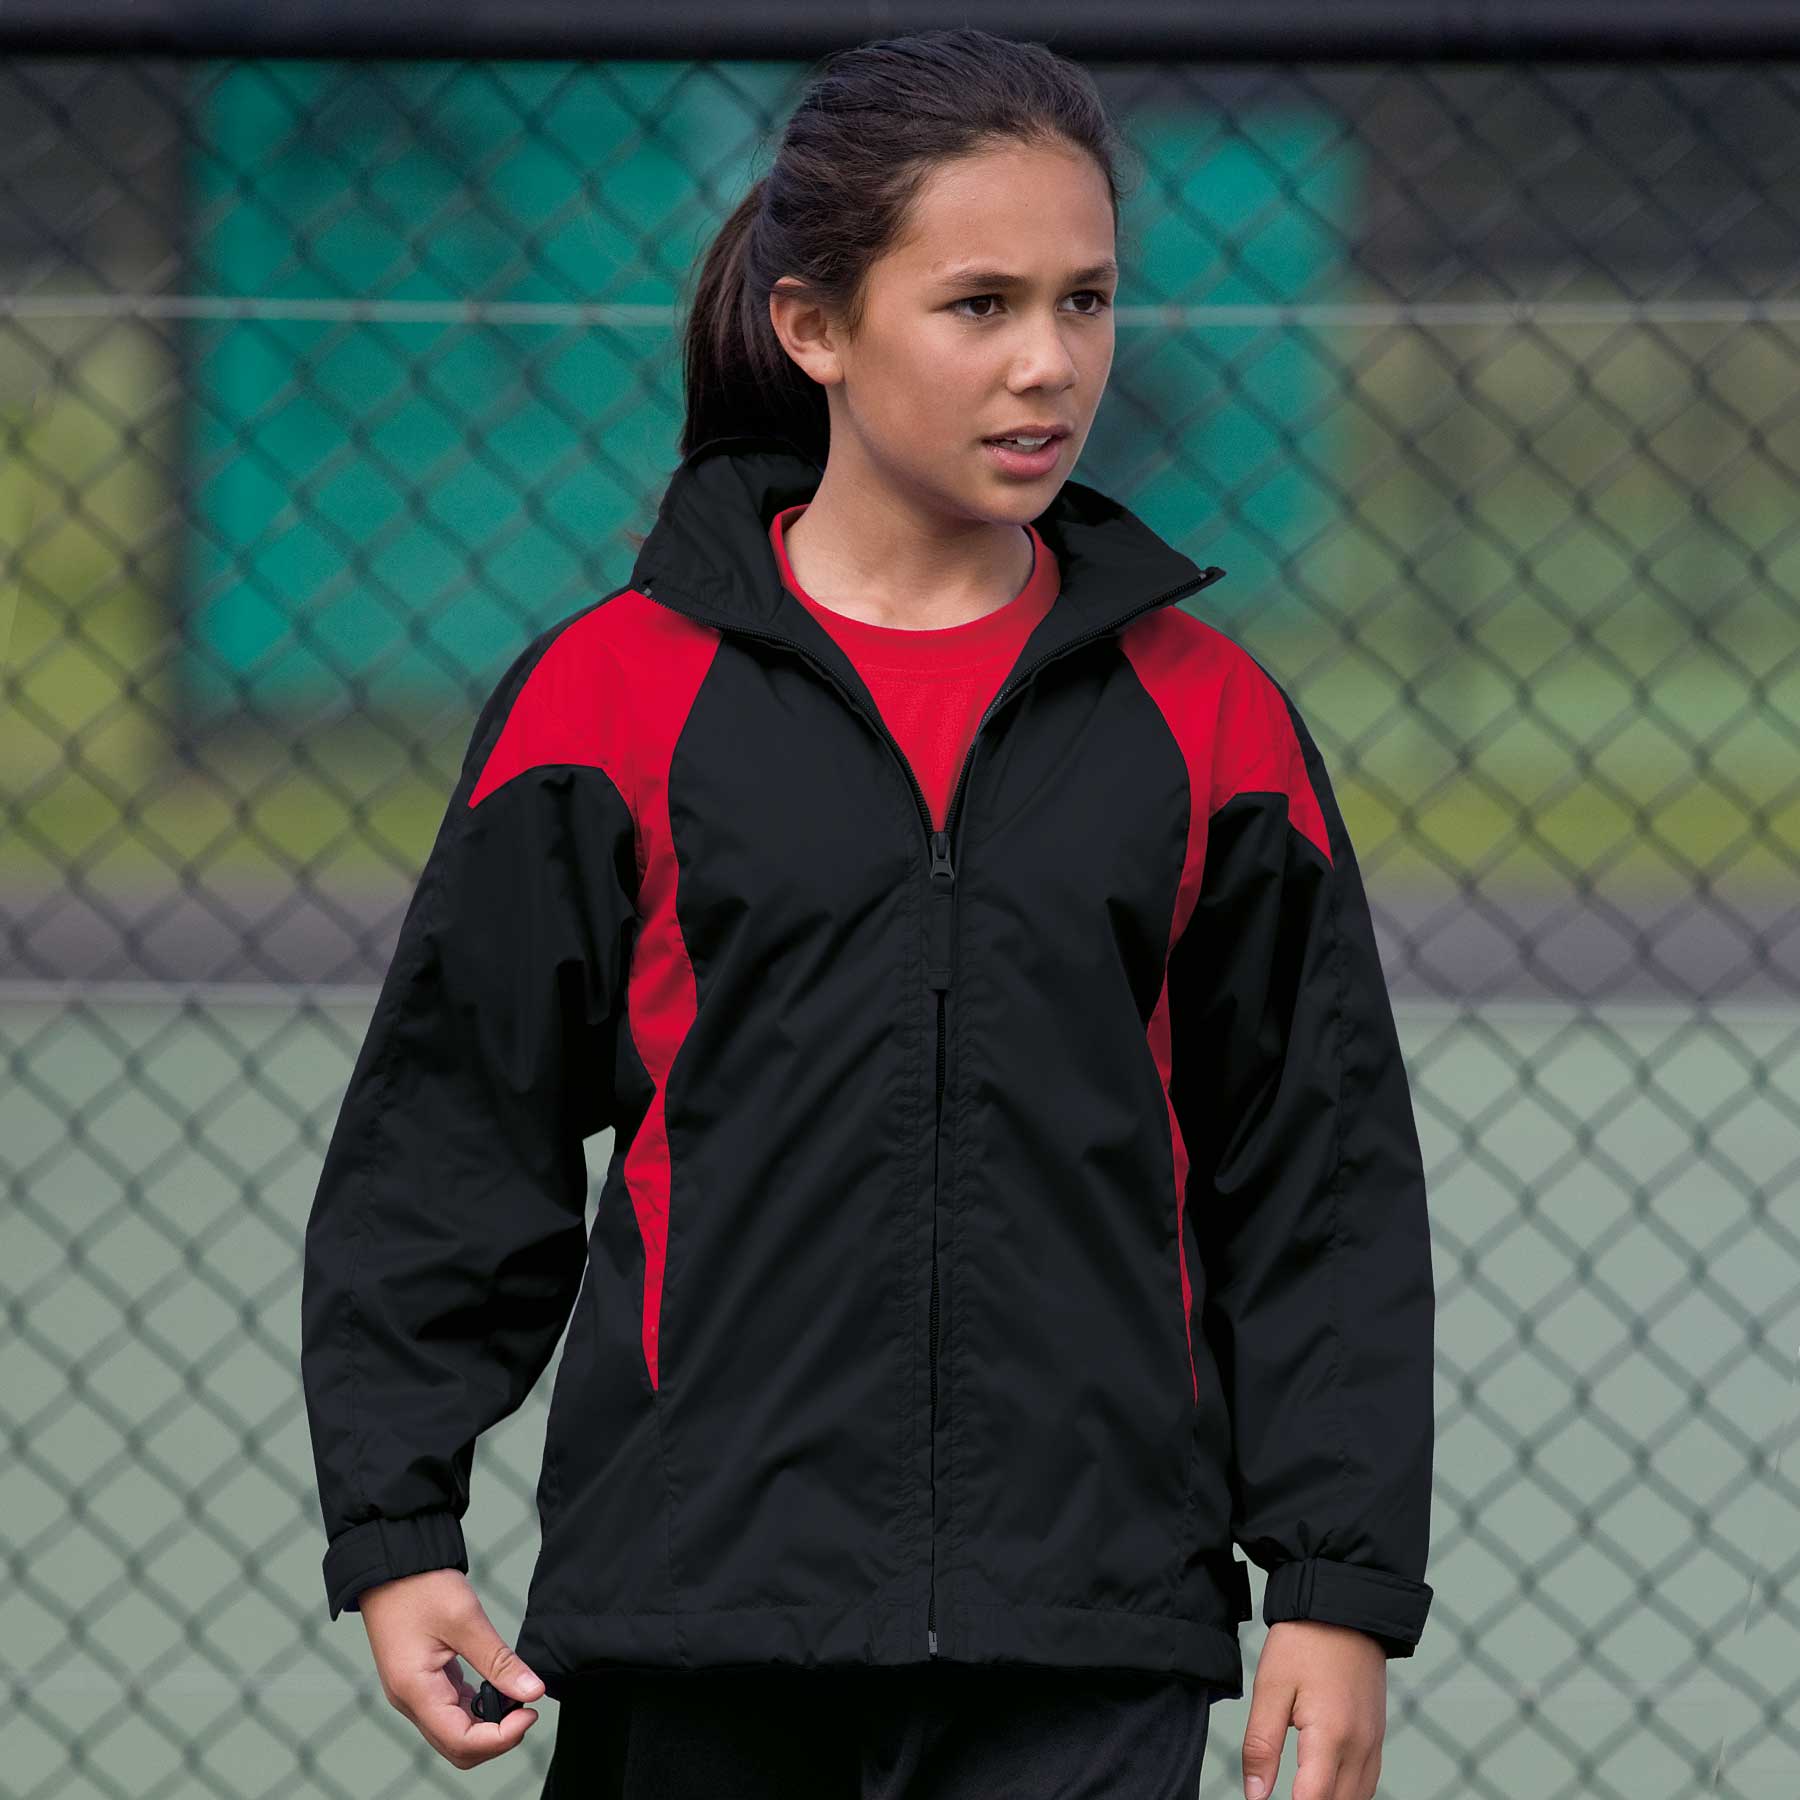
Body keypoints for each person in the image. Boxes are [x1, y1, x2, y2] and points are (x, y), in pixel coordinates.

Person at [299, 25, 1435, 1800]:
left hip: (1090, 1640)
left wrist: (1337, 1588)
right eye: (980, 305)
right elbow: (453, 1134)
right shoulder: (607, 702)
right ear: (813, 325)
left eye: (1085, 300)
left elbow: (1319, 1180)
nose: (1050, 362)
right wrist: (396, 1528)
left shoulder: (1209, 718)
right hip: (697, 1619)